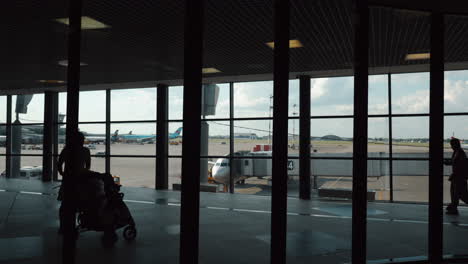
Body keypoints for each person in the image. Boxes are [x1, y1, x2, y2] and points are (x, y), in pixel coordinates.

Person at [58, 131, 91, 233]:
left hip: (68, 179)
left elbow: (59, 164)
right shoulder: (86, 150)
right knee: (80, 203)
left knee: (64, 205)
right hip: (80, 179)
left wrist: (62, 173)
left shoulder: (67, 150)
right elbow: (88, 166)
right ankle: (79, 224)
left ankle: (63, 226)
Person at [444, 137, 468, 215]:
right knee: (454, 193)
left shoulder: (459, 153)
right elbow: (455, 162)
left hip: (459, 177)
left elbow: (460, 166)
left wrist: (454, 174)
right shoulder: (457, 152)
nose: (451, 146)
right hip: (457, 176)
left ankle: (453, 207)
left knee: (462, 194)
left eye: (452, 144)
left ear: (455, 145)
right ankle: (453, 207)